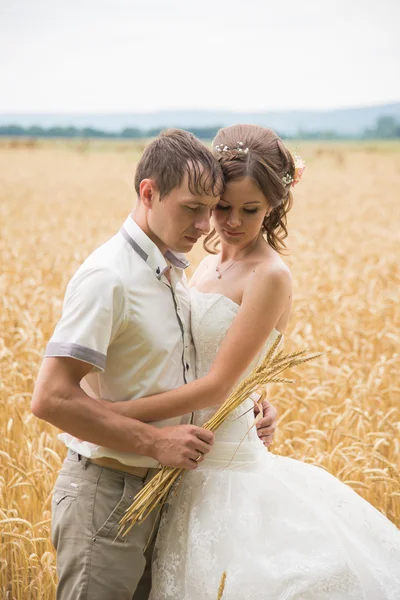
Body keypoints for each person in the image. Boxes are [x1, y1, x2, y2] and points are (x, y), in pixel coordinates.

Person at [102, 125, 400, 599]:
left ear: (274, 207)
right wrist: (260, 398)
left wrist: (107, 416)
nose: (232, 221)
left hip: (226, 469)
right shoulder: (203, 265)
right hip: (180, 461)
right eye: (222, 207)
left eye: (251, 210)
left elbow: (220, 383)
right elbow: (227, 363)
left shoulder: (270, 275)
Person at [31, 128, 278, 600]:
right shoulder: (110, 276)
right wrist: (155, 440)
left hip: (166, 494)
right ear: (149, 192)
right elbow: (51, 397)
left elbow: (199, 367)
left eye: (211, 208)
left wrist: (247, 409)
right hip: (107, 493)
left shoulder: (172, 271)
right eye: (192, 208)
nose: (207, 224)